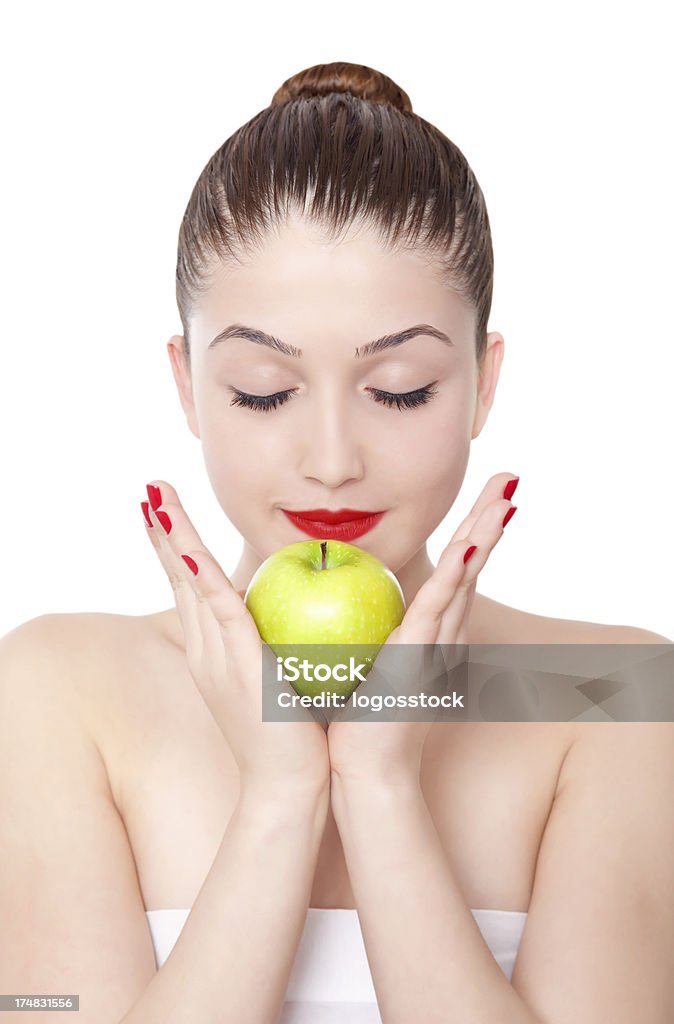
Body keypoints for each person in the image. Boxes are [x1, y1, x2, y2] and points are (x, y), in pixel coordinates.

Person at [1, 60, 672, 1024]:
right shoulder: (58, 687)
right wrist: (280, 797)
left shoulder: (616, 696)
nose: (330, 462)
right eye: (263, 392)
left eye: (399, 388)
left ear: (483, 383)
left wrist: (381, 787)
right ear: (187, 385)